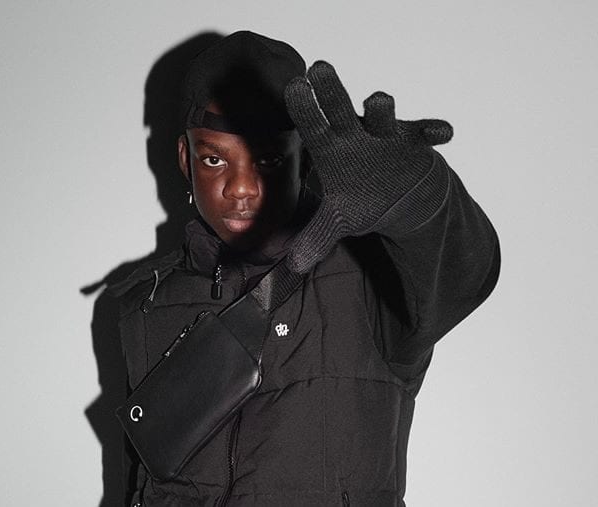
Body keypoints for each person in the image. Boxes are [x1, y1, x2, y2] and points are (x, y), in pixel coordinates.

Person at [111, 30, 500, 507]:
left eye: (267, 159)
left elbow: (466, 272)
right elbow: (140, 479)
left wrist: (420, 198)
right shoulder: (146, 301)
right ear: (184, 160)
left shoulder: (372, 277)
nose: (240, 187)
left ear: (303, 160)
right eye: (214, 159)